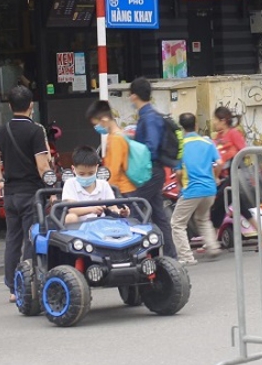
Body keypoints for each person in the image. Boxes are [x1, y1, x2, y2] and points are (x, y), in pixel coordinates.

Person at [0, 85, 52, 302]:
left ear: (10, 106)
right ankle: (27, 284)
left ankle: (13, 288)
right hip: (31, 193)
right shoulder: (35, 131)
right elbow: (43, 166)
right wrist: (52, 188)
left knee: (12, 240)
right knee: (31, 238)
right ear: (31, 106)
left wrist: (0, 179)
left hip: (11, 194)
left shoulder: (2, 130)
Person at [209, 107, 262, 246]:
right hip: (223, 177)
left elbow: (244, 151)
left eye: (216, 119)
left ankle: (211, 241)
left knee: (218, 203)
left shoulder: (233, 133)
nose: (214, 122)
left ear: (223, 120)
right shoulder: (217, 137)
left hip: (234, 175)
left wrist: (231, 156)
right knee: (240, 207)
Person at [129, 77, 175, 255]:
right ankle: (170, 255)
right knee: (158, 214)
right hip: (154, 171)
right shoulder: (148, 116)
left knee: (135, 207)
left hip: (151, 171)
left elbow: (151, 146)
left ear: (133, 96)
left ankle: (135, 252)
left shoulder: (148, 118)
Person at [171, 113, 222, 266]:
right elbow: (219, 162)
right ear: (196, 126)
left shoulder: (180, 146)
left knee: (177, 223)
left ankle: (186, 257)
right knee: (203, 218)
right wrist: (215, 177)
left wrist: (180, 185)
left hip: (192, 190)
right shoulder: (207, 142)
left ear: (181, 128)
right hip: (210, 189)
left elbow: (179, 172)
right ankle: (213, 246)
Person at [61, 146, 126, 224]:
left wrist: (120, 211)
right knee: (71, 217)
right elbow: (72, 209)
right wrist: (92, 209)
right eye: (82, 174)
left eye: (91, 173)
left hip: (103, 225)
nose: (86, 177)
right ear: (73, 169)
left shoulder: (104, 185)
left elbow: (112, 207)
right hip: (79, 228)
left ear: (97, 167)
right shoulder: (70, 183)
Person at [86, 100, 137, 196]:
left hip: (122, 190)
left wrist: (106, 191)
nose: (96, 127)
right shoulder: (118, 134)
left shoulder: (116, 139)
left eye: (96, 124)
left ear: (104, 120)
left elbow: (113, 170)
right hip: (124, 188)